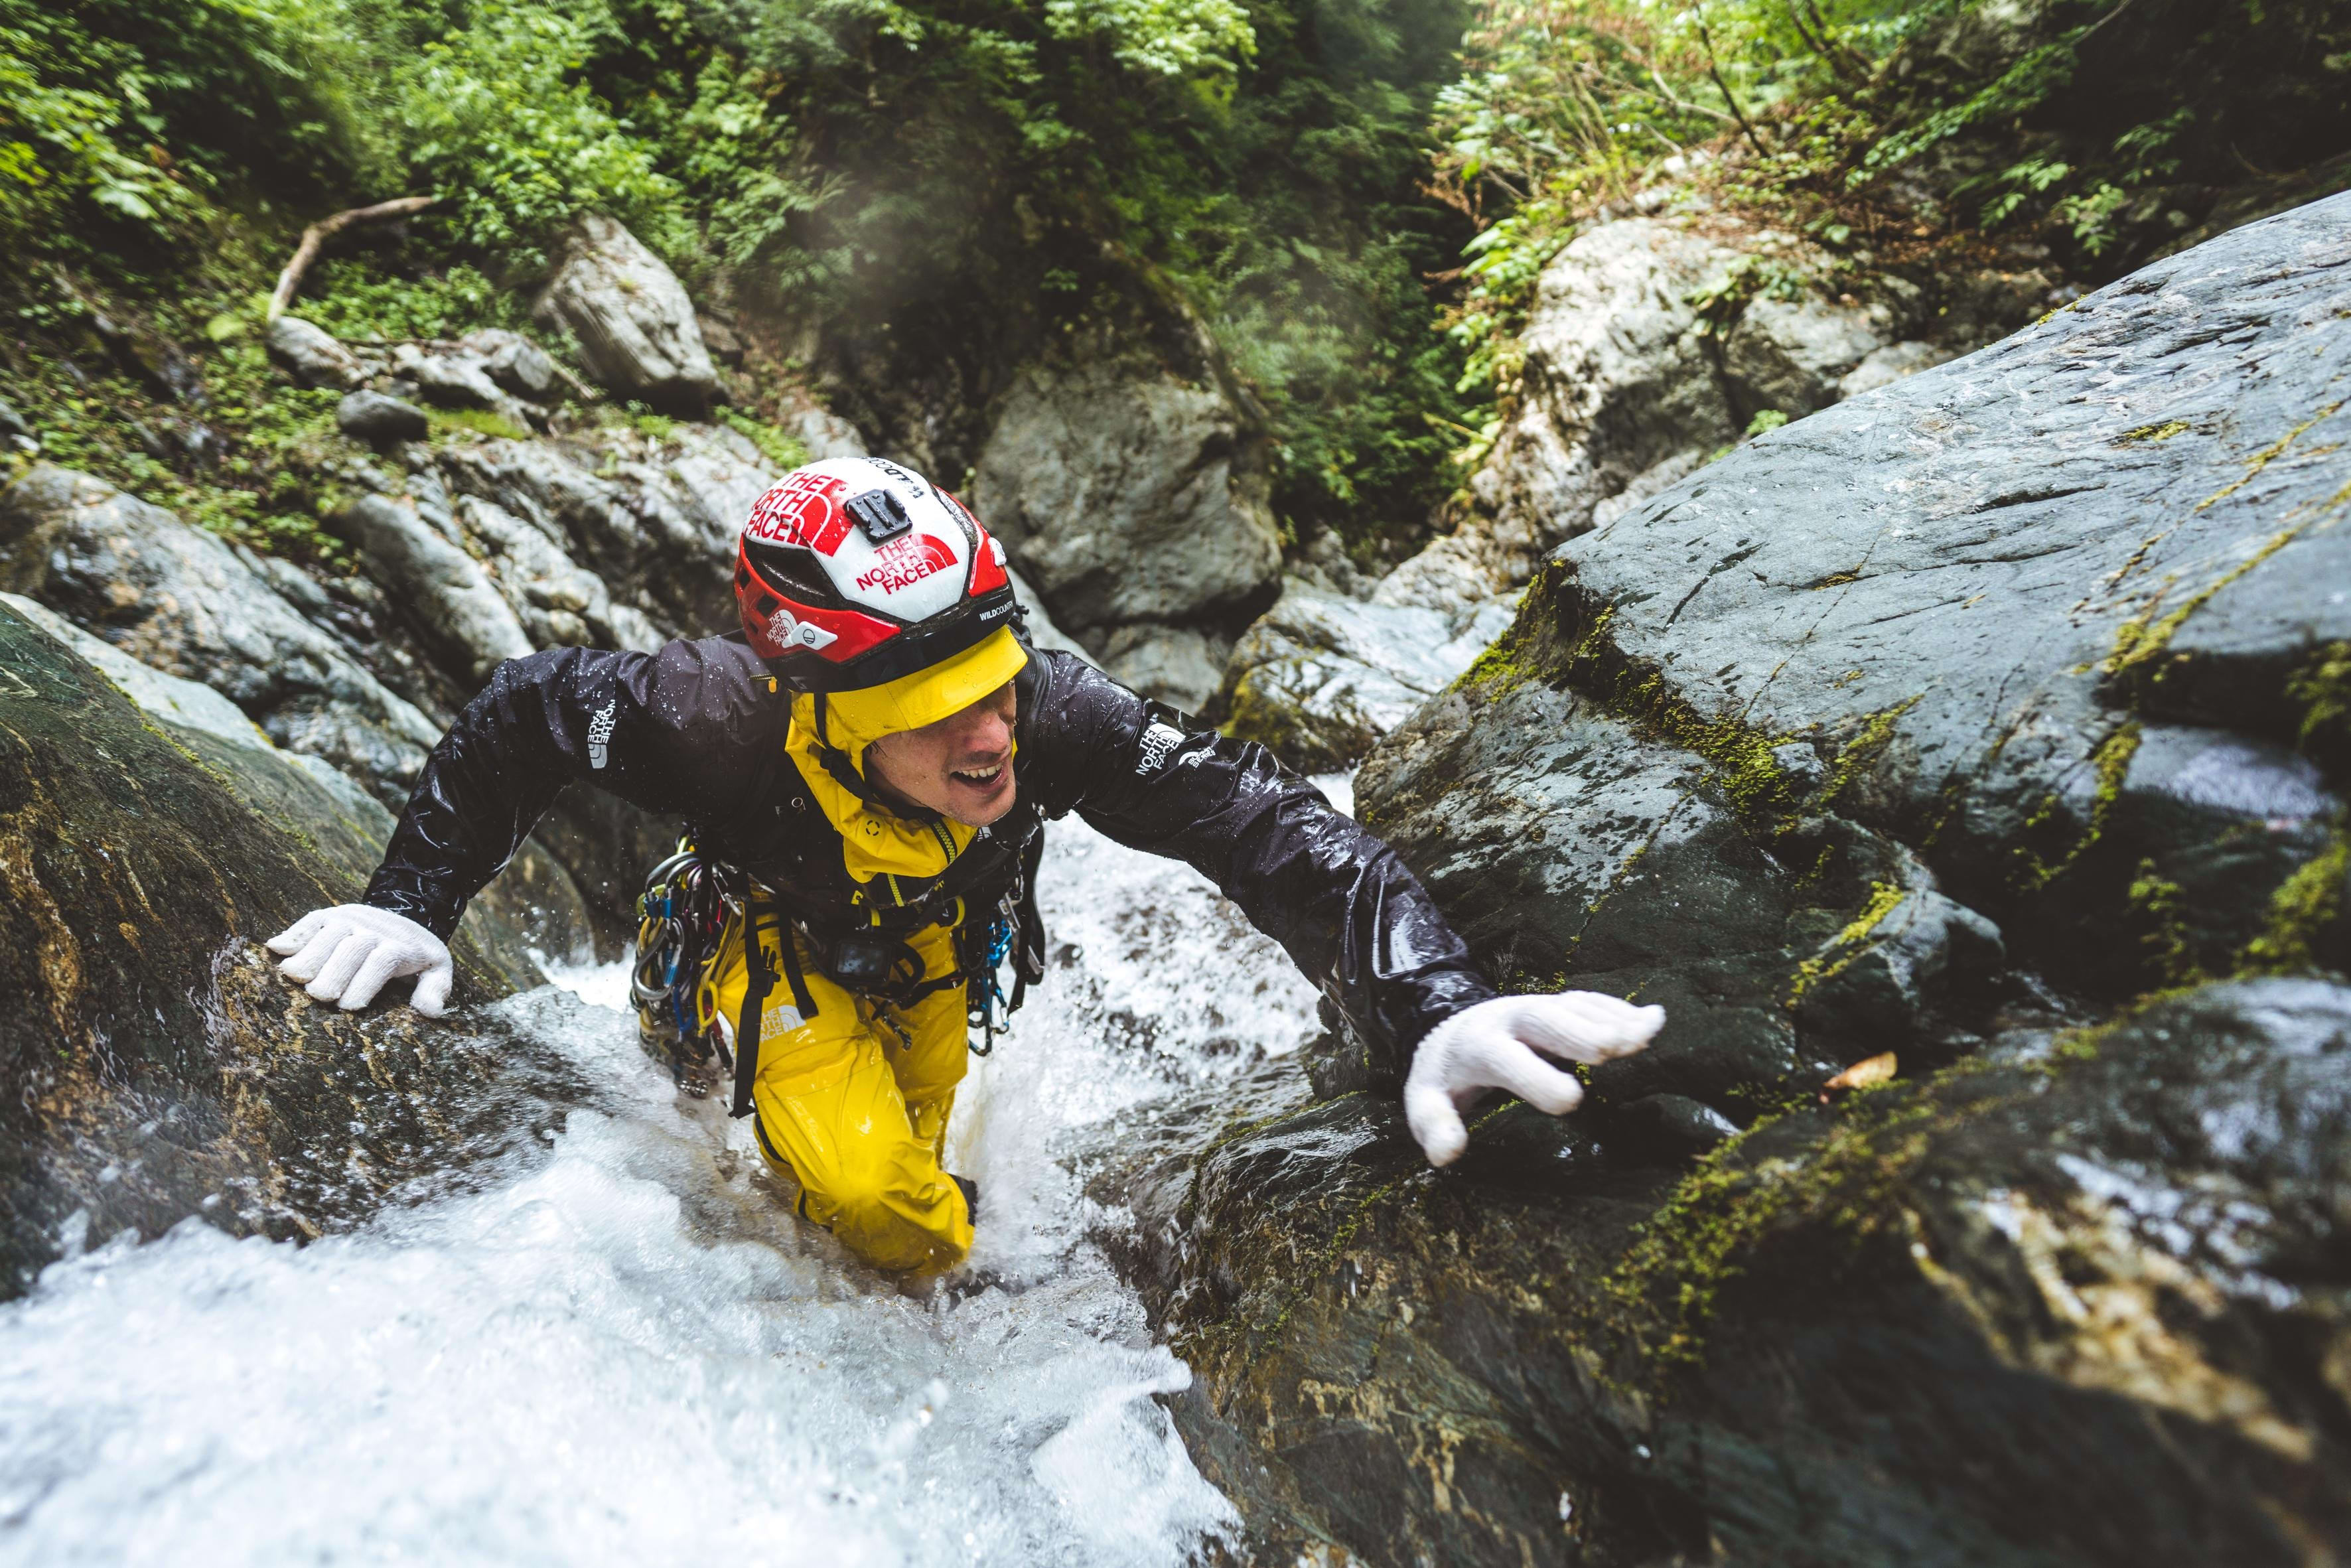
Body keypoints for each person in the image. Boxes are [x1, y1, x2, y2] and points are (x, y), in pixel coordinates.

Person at [267, 457, 1663, 1274]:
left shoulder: (1056, 716)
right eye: (936, 715)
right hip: (763, 941)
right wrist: (412, 907)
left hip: (944, 944)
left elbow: (1263, 824)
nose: (993, 738)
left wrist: (1434, 1001)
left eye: (994, 685)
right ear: (834, 706)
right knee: (894, 1222)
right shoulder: (705, 721)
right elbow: (519, 716)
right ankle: (718, 1080)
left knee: (929, 1185)